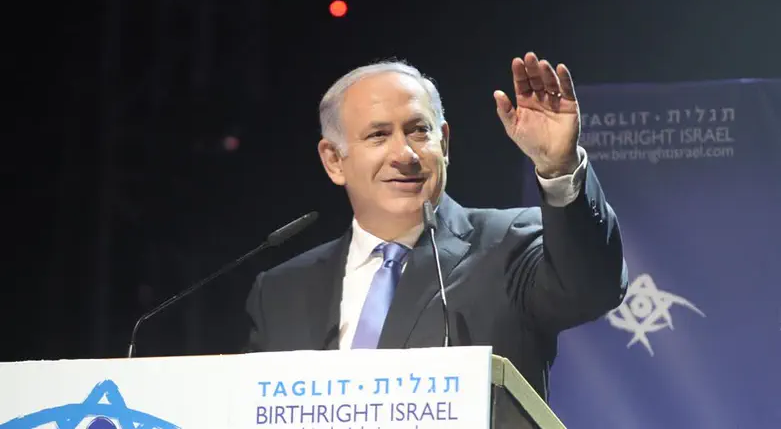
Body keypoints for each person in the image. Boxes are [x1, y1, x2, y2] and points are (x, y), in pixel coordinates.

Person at [244, 52, 627, 403]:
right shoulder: (279, 291)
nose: (405, 154)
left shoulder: (511, 242)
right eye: (378, 135)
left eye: (418, 131)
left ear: (443, 143)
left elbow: (590, 289)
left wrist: (559, 167)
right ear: (333, 160)